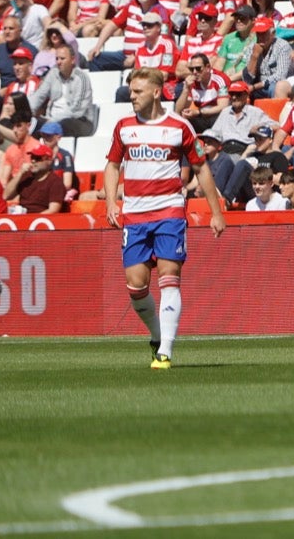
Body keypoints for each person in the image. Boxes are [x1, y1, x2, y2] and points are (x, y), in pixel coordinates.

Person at [105, 66, 227, 370]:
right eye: (131, 91)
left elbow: (201, 168)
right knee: (136, 286)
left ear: (156, 92)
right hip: (134, 214)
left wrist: (215, 212)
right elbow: (111, 165)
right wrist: (110, 202)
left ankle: (166, 351)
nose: (131, 97)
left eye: (137, 91)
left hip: (169, 212)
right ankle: (157, 334)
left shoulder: (180, 126)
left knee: (169, 277)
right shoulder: (123, 127)